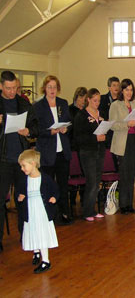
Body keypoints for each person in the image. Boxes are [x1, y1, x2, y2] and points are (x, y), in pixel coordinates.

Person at [0, 70, 38, 253]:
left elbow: (36, 125)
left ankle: (26, 235)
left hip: (22, 160)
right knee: (1, 201)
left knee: (23, 198)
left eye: (14, 87)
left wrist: (28, 131)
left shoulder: (23, 103)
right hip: (3, 159)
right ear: (1, 86)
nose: (12, 92)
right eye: (8, 88)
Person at [33, 75, 72, 226]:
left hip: (62, 151)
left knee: (63, 184)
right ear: (44, 88)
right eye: (49, 87)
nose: (52, 90)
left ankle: (64, 214)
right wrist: (51, 132)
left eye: (55, 87)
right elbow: (36, 129)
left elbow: (70, 123)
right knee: (48, 185)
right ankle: (48, 216)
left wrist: (65, 128)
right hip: (47, 151)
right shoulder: (38, 106)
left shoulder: (63, 103)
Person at [16, 149, 59, 274]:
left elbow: (55, 190)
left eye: (24, 165)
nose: (22, 169)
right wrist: (20, 197)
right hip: (30, 211)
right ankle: (36, 251)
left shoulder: (45, 178)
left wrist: (54, 197)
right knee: (32, 231)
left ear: (33, 163)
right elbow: (19, 192)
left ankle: (46, 260)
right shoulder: (24, 180)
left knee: (41, 233)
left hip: (41, 212)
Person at [73, 88, 106, 222]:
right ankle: (87, 211)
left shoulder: (101, 114)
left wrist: (105, 135)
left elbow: (105, 132)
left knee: (97, 181)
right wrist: (95, 139)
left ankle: (92, 209)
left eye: (98, 101)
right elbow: (79, 138)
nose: (97, 103)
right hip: (87, 152)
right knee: (91, 182)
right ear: (88, 100)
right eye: (94, 100)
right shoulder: (81, 116)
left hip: (100, 150)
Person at [109, 79, 135, 214]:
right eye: (127, 89)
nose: (129, 92)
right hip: (122, 142)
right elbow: (113, 125)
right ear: (122, 91)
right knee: (124, 174)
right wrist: (127, 124)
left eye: (131, 90)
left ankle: (129, 204)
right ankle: (123, 205)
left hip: (133, 140)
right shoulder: (115, 105)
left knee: (131, 174)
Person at [68, 87, 87, 206]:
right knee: (74, 172)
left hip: (84, 146)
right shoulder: (70, 109)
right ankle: (72, 198)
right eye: (81, 98)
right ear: (76, 97)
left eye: (85, 99)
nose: (83, 101)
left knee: (84, 172)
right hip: (73, 146)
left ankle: (84, 198)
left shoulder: (86, 110)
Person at [99, 76, 120, 148]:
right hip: (107, 131)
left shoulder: (122, 100)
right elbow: (100, 113)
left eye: (118, 85)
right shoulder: (102, 99)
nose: (116, 87)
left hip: (118, 130)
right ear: (109, 87)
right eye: (114, 85)